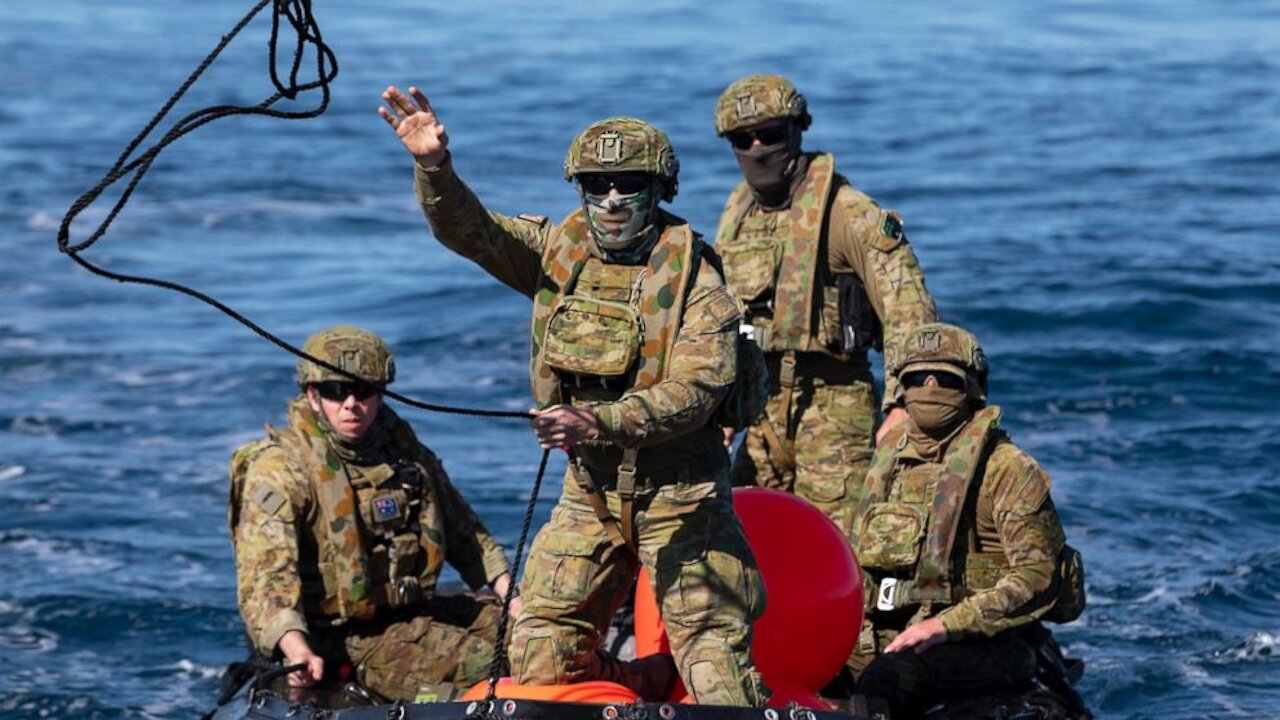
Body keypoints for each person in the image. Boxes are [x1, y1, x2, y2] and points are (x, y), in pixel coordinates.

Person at [378, 84, 768, 706]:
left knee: (716, 665)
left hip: (681, 494)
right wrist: (434, 167)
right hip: (590, 491)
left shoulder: (698, 280)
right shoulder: (560, 254)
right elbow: (471, 231)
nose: (611, 200)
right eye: (596, 186)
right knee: (538, 658)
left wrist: (595, 420)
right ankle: (635, 691)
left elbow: (696, 391)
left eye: (628, 185)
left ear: (659, 189)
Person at [228, 325, 519, 702]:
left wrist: (513, 599)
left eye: (364, 391)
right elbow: (266, 579)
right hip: (339, 636)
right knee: (488, 665)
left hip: (411, 613)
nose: (351, 403)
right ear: (312, 396)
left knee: (542, 638)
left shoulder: (402, 451)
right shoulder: (283, 470)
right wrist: (296, 648)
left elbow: (465, 533)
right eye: (335, 391)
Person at [712, 73, 939, 536]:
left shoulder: (850, 215)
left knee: (840, 543)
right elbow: (722, 317)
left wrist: (901, 406)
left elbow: (908, 312)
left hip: (833, 406)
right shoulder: (739, 213)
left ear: (798, 130)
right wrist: (720, 404)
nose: (757, 148)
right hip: (759, 407)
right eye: (743, 139)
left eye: (771, 135)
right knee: (740, 536)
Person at [849, 322, 1087, 719]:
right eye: (916, 378)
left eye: (944, 378)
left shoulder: (1007, 469)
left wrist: (947, 625)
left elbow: (1037, 576)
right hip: (895, 629)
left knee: (887, 681)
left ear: (972, 388)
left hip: (985, 638)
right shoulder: (892, 456)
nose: (929, 386)